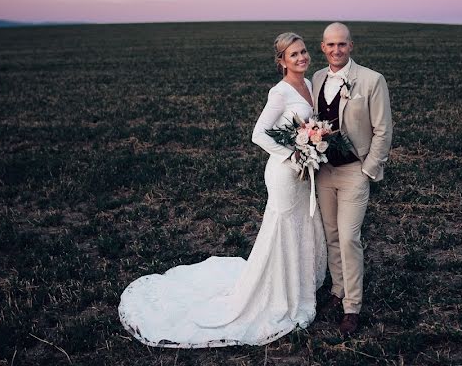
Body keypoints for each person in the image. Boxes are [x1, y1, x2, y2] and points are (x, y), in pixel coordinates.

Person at [118, 33, 327, 348]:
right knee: (283, 228)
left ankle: (300, 288)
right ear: (282, 61)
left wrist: (312, 144)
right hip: (284, 173)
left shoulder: (309, 84)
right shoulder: (279, 92)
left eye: (303, 51)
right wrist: (292, 153)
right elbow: (258, 134)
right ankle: (282, 295)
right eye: (293, 55)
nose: (301, 58)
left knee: (303, 225)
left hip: (304, 173)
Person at [312, 22, 392, 336]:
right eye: (330, 45)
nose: (336, 50)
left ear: (351, 46)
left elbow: (383, 130)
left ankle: (352, 307)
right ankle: (337, 290)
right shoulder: (317, 78)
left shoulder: (372, 80)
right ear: (323, 47)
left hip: (354, 173)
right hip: (324, 172)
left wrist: (368, 170)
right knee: (331, 235)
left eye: (342, 44)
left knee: (349, 238)